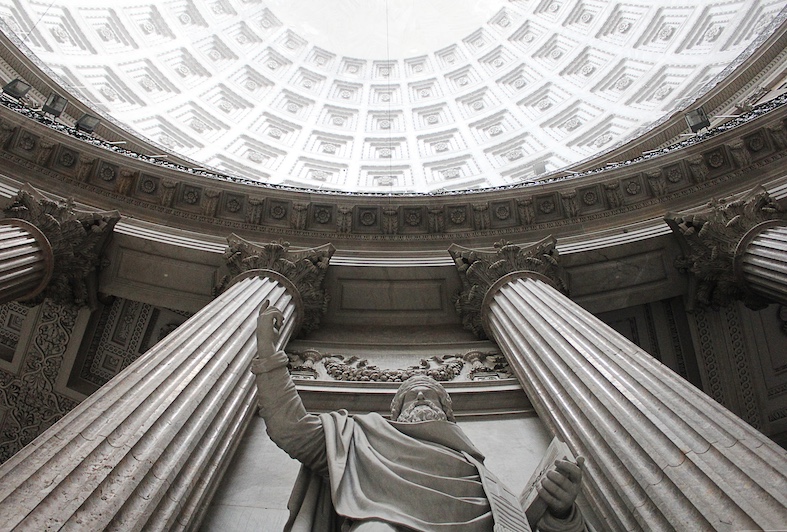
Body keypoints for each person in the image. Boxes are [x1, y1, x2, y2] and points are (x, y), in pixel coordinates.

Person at [252, 301, 586, 532]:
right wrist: (269, 355)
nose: (422, 395)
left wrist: (561, 513)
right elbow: (290, 428)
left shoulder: (486, 482)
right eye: (411, 395)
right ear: (395, 411)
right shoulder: (358, 436)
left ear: (448, 414)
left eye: (433, 394)